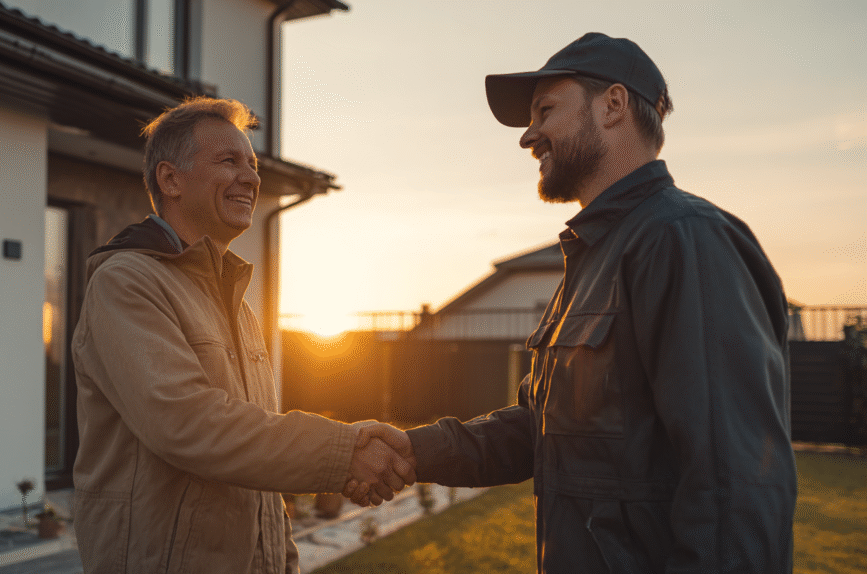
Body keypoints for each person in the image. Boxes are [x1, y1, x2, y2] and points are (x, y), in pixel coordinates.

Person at [352, 32, 798, 573]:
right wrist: (413, 450)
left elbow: (737, 485)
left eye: (544, 111)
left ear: (612, 105)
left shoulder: (683, 241)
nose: (528, 136)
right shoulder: (594, 258)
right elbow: (539, 430)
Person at [71, 96, 414, 574]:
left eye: (252, 165)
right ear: (170, 179)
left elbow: (253, 450)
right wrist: (343, 453)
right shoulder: (126, 282)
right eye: (228, 161)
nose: (251, 178)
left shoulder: (234, 301)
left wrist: (281, 561)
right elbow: (188, 425)